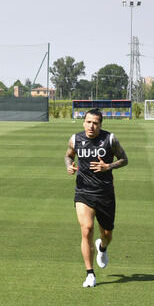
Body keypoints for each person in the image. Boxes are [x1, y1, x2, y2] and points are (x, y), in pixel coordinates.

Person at [65, 108, 128, 288]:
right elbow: (68, 156)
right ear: (83, 122)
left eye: (96, 123)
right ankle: (90, 274)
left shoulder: (109, 139)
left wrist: (108, 166)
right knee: (87, 229)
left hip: (105, 193)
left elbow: (124, 159)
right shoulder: (75, 139)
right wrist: (69, 166)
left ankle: (103, 247)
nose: (91, 126)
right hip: (83, 192)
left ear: (100, 124)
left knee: (107, 234)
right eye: (89, 122)